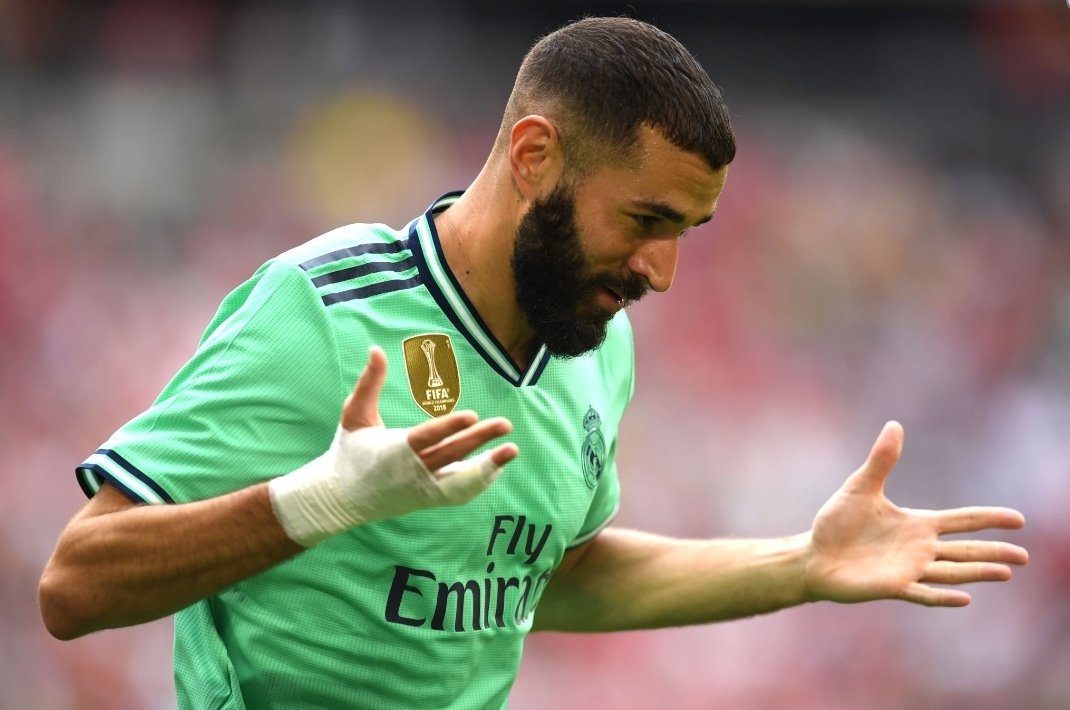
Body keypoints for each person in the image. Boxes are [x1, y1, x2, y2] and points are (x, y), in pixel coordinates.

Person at [39, 16, 1028, 710]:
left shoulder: (596, 341)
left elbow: (550, 575)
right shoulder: (323, 311)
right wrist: (319, 500)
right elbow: (75, 585)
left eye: (685, 232)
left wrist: (799, 566)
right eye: (644, 220)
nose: (661, 273)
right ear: (533, 155)